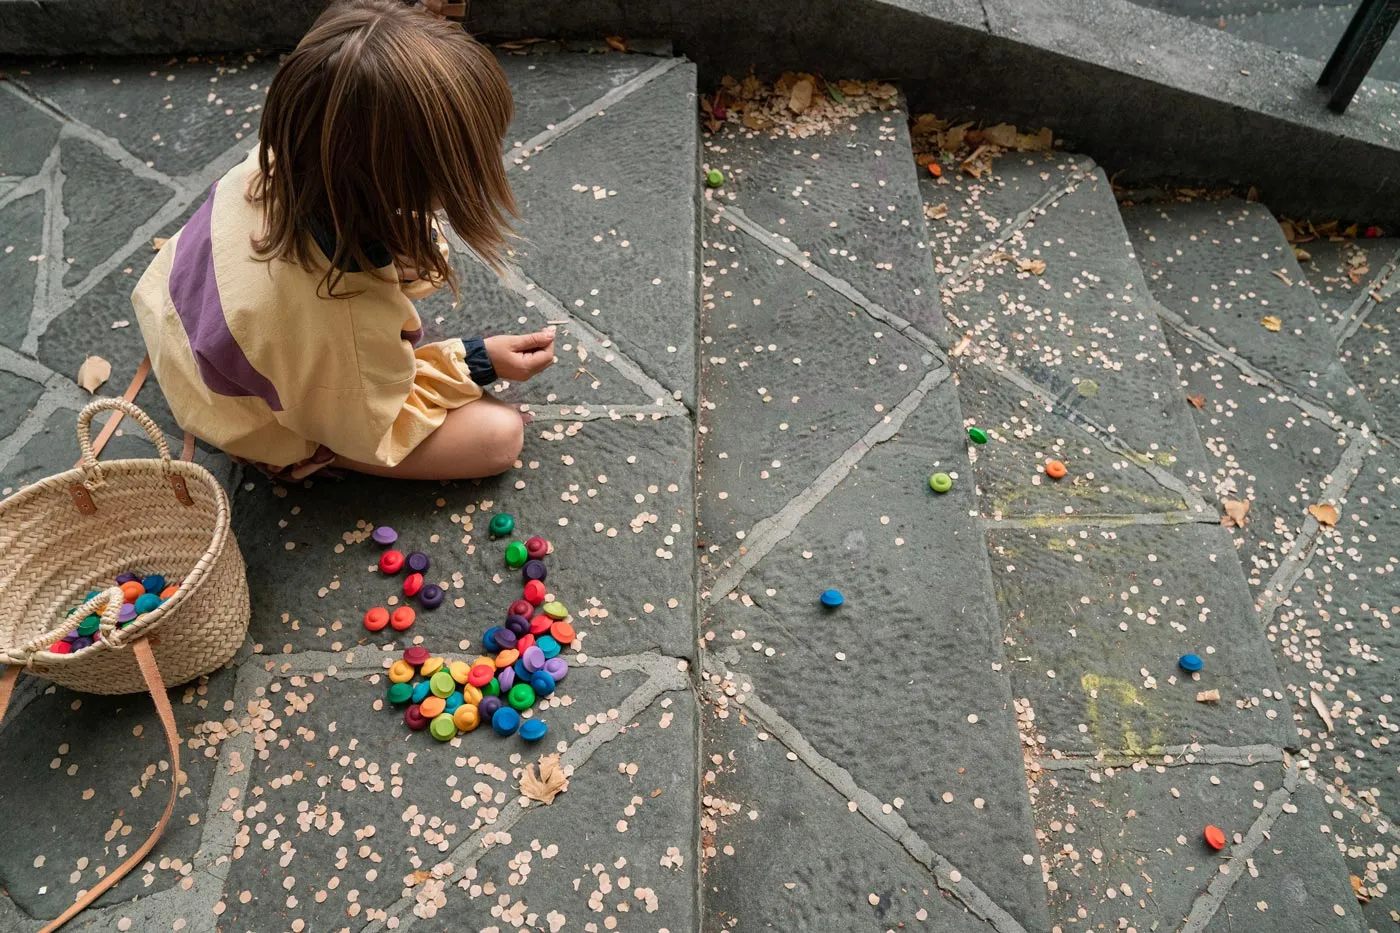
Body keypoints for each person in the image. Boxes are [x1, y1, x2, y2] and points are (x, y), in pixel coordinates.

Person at [132, 0, 553, 482]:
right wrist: (473, 361)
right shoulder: (341, 314)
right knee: (497, 436)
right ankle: (288, 456)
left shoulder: (281, 157)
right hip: (240, 411)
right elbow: (372, 422)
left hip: (182, 320)